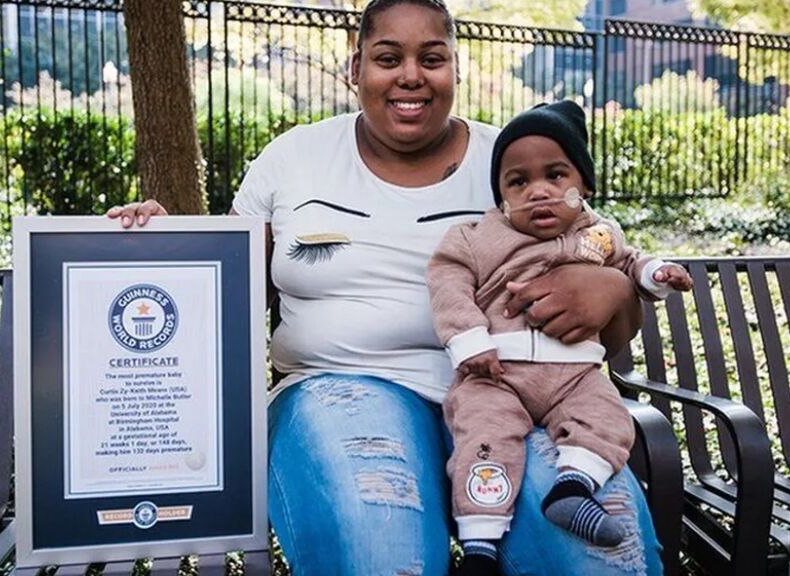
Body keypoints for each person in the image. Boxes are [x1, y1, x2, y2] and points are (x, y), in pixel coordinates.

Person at [109, 1, 665, 574]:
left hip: (515, 394)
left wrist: (617, 294)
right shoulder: (294, 158)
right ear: (355, 69)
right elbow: (219, 294)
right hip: (339, 389)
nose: (410, 76)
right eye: (387, 58)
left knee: (599, 553)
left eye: (432, 58)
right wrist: (156, 249)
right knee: (380, 547)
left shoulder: (516, 162)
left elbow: (606, 314)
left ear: (455, 67)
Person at [427, 101, 692, 575]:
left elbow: (631, 263)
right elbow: (449, 282)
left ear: (584, 185)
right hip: (497, 371)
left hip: (574, 374)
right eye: (518, 182)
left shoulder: (602, 235)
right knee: (484, 438)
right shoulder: (480, 238)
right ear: (501, 197)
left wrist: (657, 274)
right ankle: (481, 546)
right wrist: (470, 341)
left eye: (556, 175)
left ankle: (573, 487)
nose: (539, 193)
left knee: (608, 417)